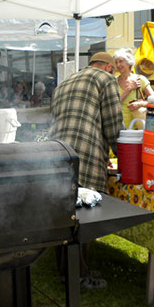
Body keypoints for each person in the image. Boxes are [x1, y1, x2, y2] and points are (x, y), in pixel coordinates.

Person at [49, 51, 123, 289]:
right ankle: (77, 276)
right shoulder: (105, 79)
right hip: (85, 153)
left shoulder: (65, 82)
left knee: (65, 216)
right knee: (86, 217)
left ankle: (70, 271)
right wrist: (124, 156)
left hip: (55, 153)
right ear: (109, 68)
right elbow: (113, 125)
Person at [113, 48, 154, 129]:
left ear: (129, 62)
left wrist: (141, 104)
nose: (118, 65)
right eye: (116, 62)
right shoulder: (113, 81)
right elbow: (113, 104)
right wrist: (129, 89)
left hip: (136, 128)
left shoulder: (140, 80)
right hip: (117, 127)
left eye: (121, 61)